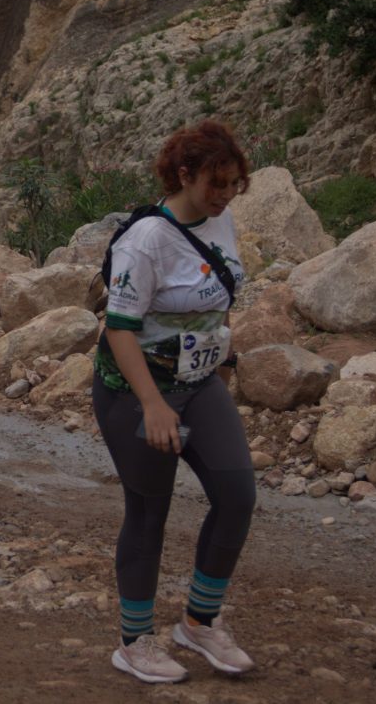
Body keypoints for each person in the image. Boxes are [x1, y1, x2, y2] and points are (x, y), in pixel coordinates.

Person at [94, 120, 255, 684]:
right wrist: (153, 405)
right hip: (134, 392)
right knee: (149, 512)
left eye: (233, 184)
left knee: (237, 496)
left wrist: (222, 361)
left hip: (200, 383)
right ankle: (134, 642)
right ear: (184, 175)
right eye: (216, 183)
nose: (225, 194)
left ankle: (199, 622)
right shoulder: (145, 241)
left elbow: (219, 295)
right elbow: (119, 328)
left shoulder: (221, 220)